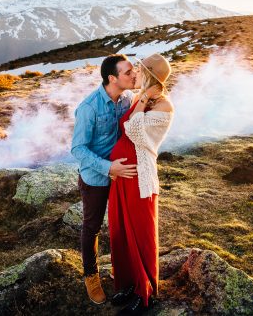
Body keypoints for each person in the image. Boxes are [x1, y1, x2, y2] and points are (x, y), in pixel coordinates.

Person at [108, 53, 174, 315]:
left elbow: (134, 131)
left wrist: (145, 97)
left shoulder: (163, 105)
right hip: (123, 174)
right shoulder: (140, 98)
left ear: (151, 75)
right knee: (122, 229)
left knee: (141, 233)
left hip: (140, 177)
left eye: (141, 69)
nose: (137, 72)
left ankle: (144, 291)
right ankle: (126, 282)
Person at [71, 54, 139, 305]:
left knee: (122, 224)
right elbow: (77, 149)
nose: (134, 76)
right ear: (112, 78)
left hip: (122, 175)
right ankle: (91, 275)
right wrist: (109, 168)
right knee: (92, 227)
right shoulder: (89, 108)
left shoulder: (128, 98)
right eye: (128, 72)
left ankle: (123, 269)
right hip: (96, 177)